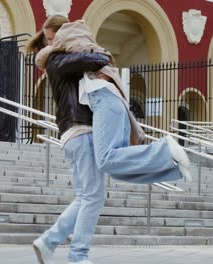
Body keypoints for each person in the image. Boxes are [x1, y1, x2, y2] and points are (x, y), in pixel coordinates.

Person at [29, 17, 191, 264]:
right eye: (51, 40)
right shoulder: (57, 59)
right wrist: (101, 56)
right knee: (93, 195)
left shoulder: (57, 59)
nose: (54, 42)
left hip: (72, 134)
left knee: (86, 196)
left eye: (53, 38)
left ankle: (49, 241)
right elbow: (95, 59)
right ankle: (77, 255)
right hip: (81, 130)